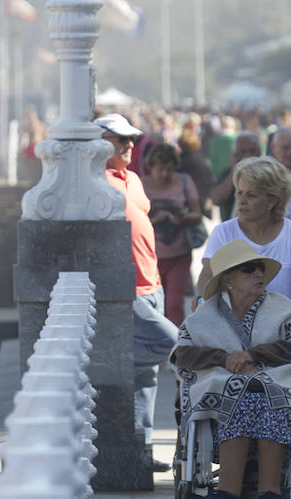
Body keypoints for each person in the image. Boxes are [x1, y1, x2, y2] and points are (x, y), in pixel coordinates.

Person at [172, 240, 291, 499]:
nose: (259, 274)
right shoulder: (205, 313)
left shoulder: (282, 306)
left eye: (261, 269)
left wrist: (255, 355)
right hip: (221, 392)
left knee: (265, 393)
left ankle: (270, 491)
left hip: (277, 382)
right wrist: (224, 358)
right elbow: (182, 354)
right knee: (242, 391)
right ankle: (228, 491)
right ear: (227, 280)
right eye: (249, 269)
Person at [96, 113, 178, 473]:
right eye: (120, 139)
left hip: (151, 284)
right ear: (99, 144)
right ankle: (110, 365)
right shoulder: (93, 185)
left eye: (131, 139)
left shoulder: (132, 179)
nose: (130, 145)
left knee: (148, 378)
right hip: (125, 288)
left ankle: (139, 452)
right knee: (169, 341)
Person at [194, 156, 291, 310]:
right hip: (236, 325)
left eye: (251, 195)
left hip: (288, 322)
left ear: (272, 201)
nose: (241, 200)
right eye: (239, 193)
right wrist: (201, 299)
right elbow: (208, 272)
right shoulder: (223, 232)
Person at [142, 142, 202, 327]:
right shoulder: (141, 184)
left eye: (169, 169)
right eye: (160, 169)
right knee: (152, 305)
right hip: (150, 256)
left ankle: (177, 344)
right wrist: (154, 219)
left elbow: (197, 214)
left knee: (174, 303)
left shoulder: (185, 181)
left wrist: (183, 218)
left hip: (179, 254)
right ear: (150, 167)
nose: (165, 175)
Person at [210, 131, 263, 222]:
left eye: (252, 151)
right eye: (243, 152)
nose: (248, 155)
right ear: (235, 154)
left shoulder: (268, 173)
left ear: (259, 152)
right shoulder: (227, 173)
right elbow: (216, 199)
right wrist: (234, 172)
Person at [177, 128, 213, 218]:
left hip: (183, 205)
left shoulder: (177, 162)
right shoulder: (202, 161)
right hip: (201, 202)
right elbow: (210, 183)